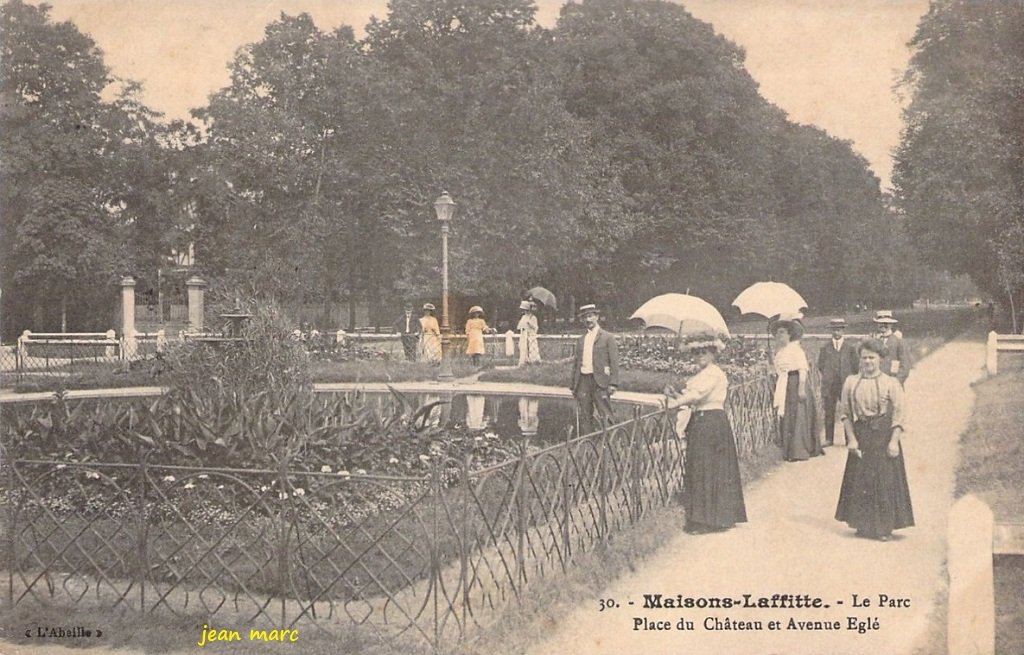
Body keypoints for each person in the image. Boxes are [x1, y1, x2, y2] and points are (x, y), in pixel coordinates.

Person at [664, 337, 748, 534]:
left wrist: (674, 403)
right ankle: (706, 517)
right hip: (701, 420)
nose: (699, 356)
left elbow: (696, 395)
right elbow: (693, 399)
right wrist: (675, 394)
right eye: (695, 352)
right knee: (701, 466)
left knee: (709, 467)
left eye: (704, 351)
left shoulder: (713, 373)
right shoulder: (701, 374)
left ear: (713, 353)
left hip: (712, 422)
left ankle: (709, 519)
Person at [835, 338, 914, 541]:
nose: (868, 362)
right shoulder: (851, 382)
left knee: (884, 480)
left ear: (880, 359)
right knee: (861, 480)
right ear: (859, 360)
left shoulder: (891, 383)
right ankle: (863, 525)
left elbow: (899, 415)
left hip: (883, 435)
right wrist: (851, 440)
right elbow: (845, 414)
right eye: (864, 358)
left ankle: (883, 528)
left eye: (872, 358)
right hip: (861, 435)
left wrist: (894, 441)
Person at [772, 317, 823, 461]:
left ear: (790, 335)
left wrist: (801, 388)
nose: (779, 335)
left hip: (796, 383)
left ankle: (799, 451)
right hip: (785, 385)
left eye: (782, 332)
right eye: (777, 333)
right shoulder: (780, 352)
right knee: (789, 415)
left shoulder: (796, 349)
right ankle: (788, 450)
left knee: (798, 415)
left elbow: (803, 369)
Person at [570, 304, 620, 435]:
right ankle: (588, 445)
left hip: (600, 381)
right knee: (585, 415)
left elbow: (614, 362)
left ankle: (611, 443)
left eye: (591, 316)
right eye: (585, 317)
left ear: (597, 317)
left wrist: (613, 383)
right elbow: (576, 363)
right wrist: (573, 385)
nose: (588, 320)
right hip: (583, 381)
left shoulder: (607, 337)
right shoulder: (581, 340)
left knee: (605, 413)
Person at [817, 318, 861, 447]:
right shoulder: (825, 348)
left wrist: (849, 380)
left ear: (843, 330)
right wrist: (828, 375)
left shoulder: (850, 348)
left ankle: (850, 438)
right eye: (834, 330)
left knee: (847, 411)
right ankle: (829, 439)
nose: (837, 332)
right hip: (830, 385)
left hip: (845, 384)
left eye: (839, 329)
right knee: (829, 411)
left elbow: (855, 366)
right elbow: (821, 365)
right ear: (831, 331)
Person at [873, 310, 911, 386]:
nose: (883, 325)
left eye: (886, 323)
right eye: (880, 323)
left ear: (891, 324)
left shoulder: (898, 341)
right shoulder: (873, 341)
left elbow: (905, 366)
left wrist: (895, 383)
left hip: (892, 383)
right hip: (875, 383)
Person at [516, 300, 541, 366]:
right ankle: (524, 361)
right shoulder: (523, 317)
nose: (524, 311)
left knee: (532, 349)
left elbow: (536, 327)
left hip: (531, 335)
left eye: (525, 310)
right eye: (523, 310)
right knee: (524, 348)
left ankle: (533, 361)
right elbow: (520, 326)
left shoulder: (533, 317)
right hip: (524, 335)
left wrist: (530, 324)